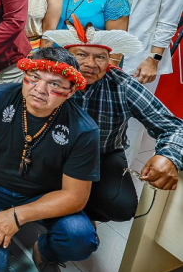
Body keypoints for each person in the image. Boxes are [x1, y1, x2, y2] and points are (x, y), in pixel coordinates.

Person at [0, 47, 99, 272]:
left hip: (43, 194)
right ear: (24, 76)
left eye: (55, 84)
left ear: (71, 92)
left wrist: (18, 216)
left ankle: (45, 253)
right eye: (35, 78)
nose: (40, 90)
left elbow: (75, 196)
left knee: (80, 237)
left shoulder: (84, 129)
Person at [43, 18, 183, 223]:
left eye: (100, 57)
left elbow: (173, 126)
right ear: (68, 57)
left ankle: (81, 216)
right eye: (81, 55)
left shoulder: (122, 85)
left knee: (121, 207)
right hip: (52, 152)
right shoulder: (49, 78)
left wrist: (169, 156)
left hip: (102, 154)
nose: (91, 64)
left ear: (110, 60)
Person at [112, 0, 183, 163]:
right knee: (103, 115)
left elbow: (168, 18)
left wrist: (153, 58)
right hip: (109, 50)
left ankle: (121, 179)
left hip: (141, 54)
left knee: (129, 123)